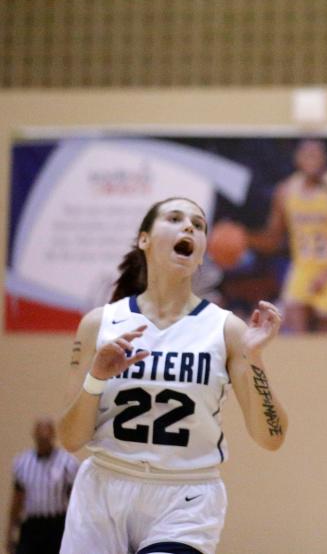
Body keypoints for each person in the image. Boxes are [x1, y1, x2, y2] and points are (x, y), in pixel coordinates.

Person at [56, 196, 288, 554]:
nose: (189, 227)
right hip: (104, 489)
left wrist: (254, 358)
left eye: (198, 225)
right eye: (176, 218)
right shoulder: (99, 324)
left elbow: (271, 437)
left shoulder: (226, 329)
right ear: (144, 239)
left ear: (201, 253)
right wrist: (96, 378)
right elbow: (70, 439)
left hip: (186, 496)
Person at [245, 138, 327, 334]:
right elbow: (273, 239)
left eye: (316, 154)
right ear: (297, 159)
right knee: (297, 332)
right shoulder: (285, 190)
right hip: (302, 270)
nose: (311, 159)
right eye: (306, 154)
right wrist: (245, 238)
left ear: (325, 158)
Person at [6, 417, 78, 554]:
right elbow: (17, 500)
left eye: (47, 433)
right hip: (32, 526)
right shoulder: (22, 463)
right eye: (40, 434)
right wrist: (10, 533)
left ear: (53, 435)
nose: (44, 437)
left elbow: (75, 499)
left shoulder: (67, 463)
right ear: (34, 435)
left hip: (57, 525)